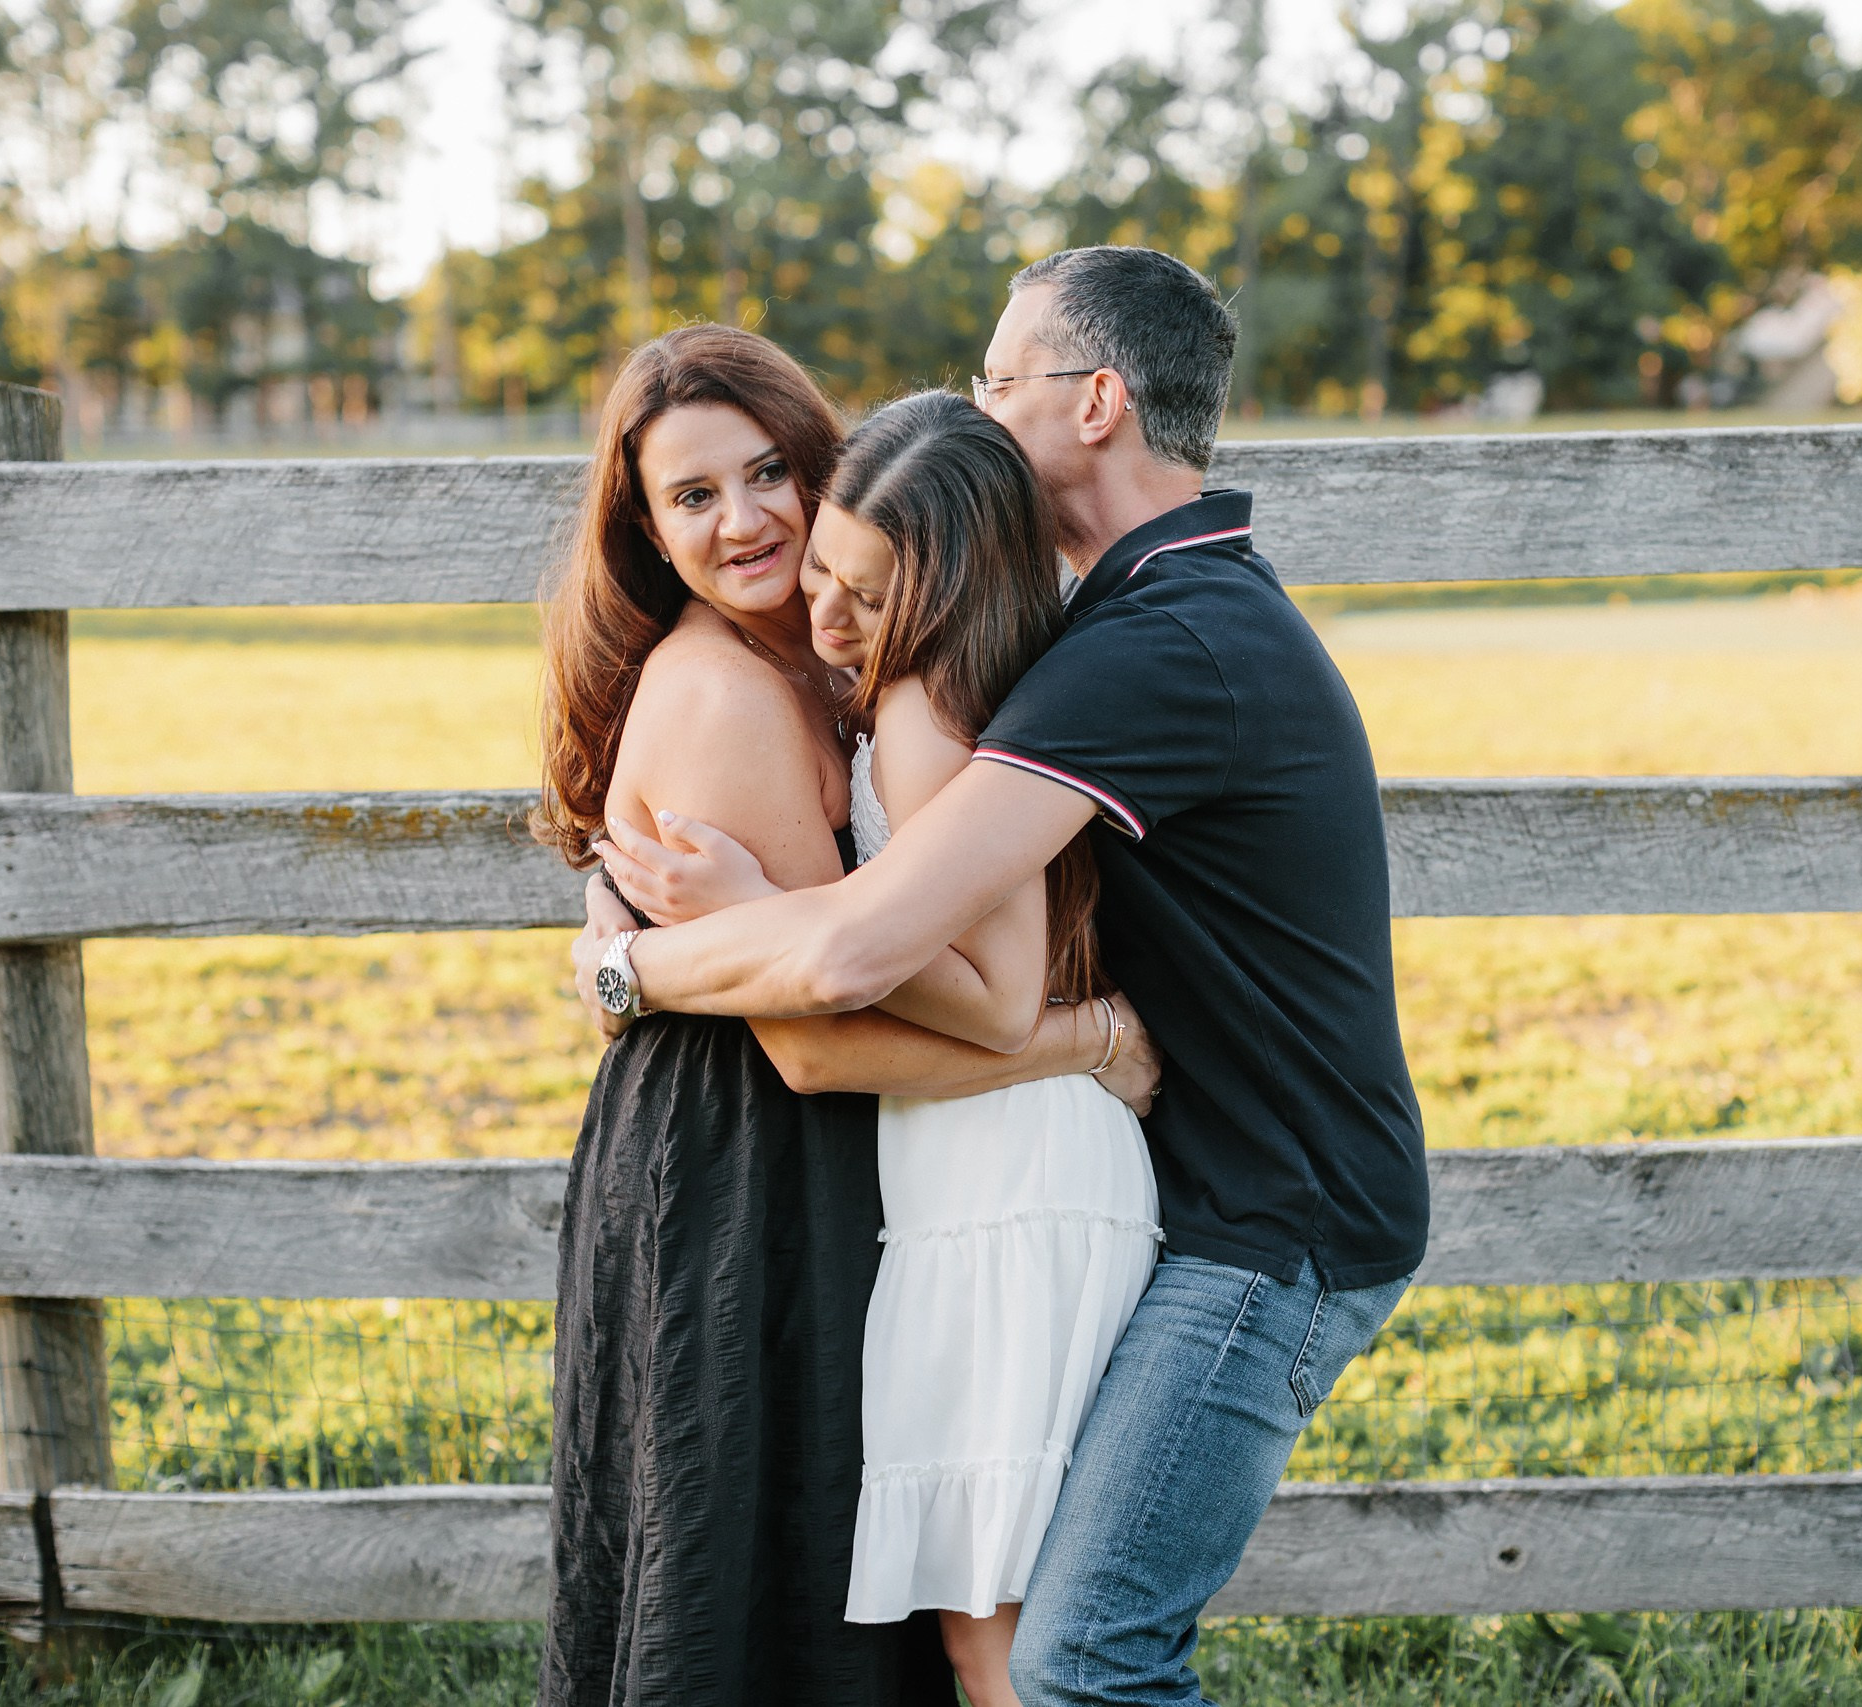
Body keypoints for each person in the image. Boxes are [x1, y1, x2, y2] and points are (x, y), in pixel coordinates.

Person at [582, 248, 1431, 1705]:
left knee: (1083, 1655)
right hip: (1213, 1192)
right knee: (1026, 1634)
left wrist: (637, 967)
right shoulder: (1108, 615)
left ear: (1096, 403)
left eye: (998, 377)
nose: (974, 404)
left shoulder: (1162, 644)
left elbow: (865, 949)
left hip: (1274, 1229)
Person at [530, 324, 1156, 1707]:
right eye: (692, 497)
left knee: (869, 1583)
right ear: (642, 526)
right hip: (742, 1166)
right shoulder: (724, 696)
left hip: (851, 1153)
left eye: (769, 475)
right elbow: (817, 1036)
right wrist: (1092, 1041)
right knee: (751, 1574)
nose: (744, 521)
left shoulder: (840, 651)